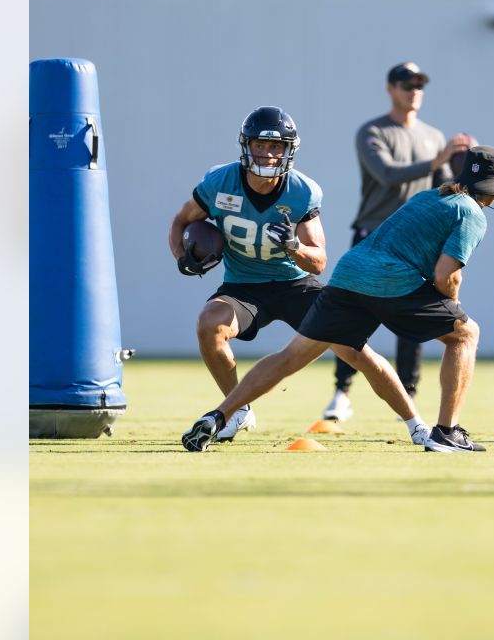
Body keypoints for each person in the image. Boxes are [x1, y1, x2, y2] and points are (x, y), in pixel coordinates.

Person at [182, 145, 494, 453]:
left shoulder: (430, 196)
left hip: (349, 274)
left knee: (290, 356)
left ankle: (218, 416)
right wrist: (452, 310)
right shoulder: (472, 214)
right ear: (492, 190)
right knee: (464, 333)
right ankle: (446, 432)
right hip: (390, 280)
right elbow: (447, 276)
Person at [168, 106, 431, 445]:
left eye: (277, 146)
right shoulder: (219, 182)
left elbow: (319, 261)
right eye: (261, 145)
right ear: (245, 146)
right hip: (243, 286)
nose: (268, 153)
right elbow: (180, 220)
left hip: (295, 285)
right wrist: (181, 257)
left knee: (357, 352)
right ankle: (237, 411)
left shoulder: (302, 191)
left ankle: (416, 424)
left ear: (289, 150)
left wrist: (293, 247)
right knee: (209, 324)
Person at [323, 61, 475, 423]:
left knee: (415, 319)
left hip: (414, 243)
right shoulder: (373, 131)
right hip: (373, 236)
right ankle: (342, 392)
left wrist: (468, 168)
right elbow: (387, 174)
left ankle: (407, 395)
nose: (414, 91)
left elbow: (443, 183)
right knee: (352, 315)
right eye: (407, 84)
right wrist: (436, 159)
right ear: (390, 88)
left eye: (419, 85)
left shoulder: (434, 136)